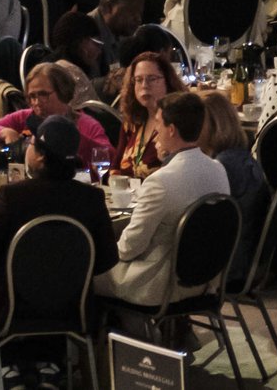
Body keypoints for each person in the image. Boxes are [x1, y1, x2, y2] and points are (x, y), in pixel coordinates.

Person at [95, 91, 231, 308]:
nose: (155, 130)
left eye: (157, 123)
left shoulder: (160, 181)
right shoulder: (218, 169)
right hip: (205, 280)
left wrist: (101, 250)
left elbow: (130, 248)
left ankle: (119, 339)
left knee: (84, 272)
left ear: (171, 129)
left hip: (159, 286)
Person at [0, 113, 118, 320]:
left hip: (14, 310)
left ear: (41, 156)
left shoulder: (12, 195)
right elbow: (107, 259)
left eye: (31, 144)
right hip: (73, 309)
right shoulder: (92, 197)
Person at [111, 50, 178, 176]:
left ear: (167, 82)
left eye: (152, 79)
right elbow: (115, 167)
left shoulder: (176, 122)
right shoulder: (132, 122)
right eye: (138, 80)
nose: (144, 85)